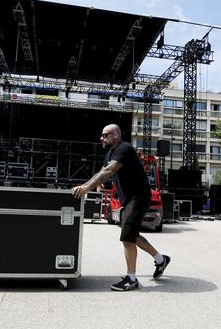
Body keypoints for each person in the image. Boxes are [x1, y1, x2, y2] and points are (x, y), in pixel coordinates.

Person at [72, 124, 170, 291]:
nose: (101, 138)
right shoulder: (110, 152)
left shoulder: (124, 149)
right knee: (133, 235)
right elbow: (104, 171)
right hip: (129, 199)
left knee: (127, 237)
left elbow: (109, 170)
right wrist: (98, 183)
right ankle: (161, 259)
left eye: (105, 135)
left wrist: (86, 187)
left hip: (139, 198)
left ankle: (131, 279)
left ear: (115, 135)